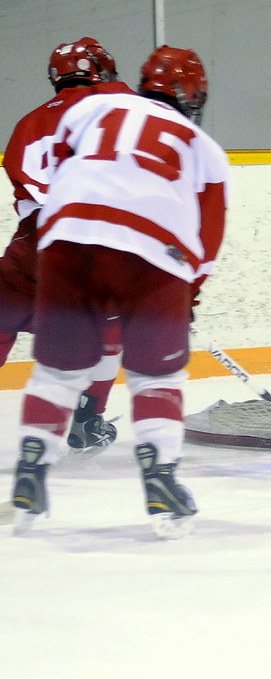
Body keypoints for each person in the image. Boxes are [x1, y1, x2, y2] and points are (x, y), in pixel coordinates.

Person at [10, 45, 230, 538]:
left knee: (58, 370)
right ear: (194, 95)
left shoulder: (93, 108)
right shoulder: (204, 148)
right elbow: (207, 240)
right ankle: (160, 478)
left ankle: (31, 470)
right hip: (152, 254)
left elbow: (62, 160)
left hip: (65, 239)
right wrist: (186, 297)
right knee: (155, 377)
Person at [2, 37, 131, 458]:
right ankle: (88, 418)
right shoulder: (120, 103)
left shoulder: (26, 123)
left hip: (33, 244)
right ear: (102, 71)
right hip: (91, 248)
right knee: (111, 326)